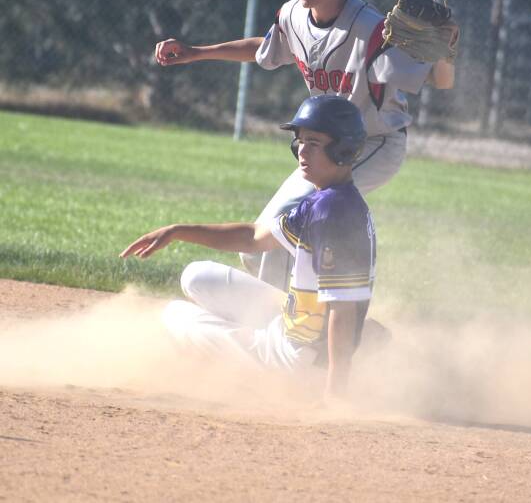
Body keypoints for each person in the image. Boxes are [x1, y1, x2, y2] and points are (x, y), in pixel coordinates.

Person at [154, 0, 455, 290]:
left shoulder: (371, 30)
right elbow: (264, 49)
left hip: (375, 143)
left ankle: (292, 329)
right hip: (327, 146)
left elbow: (441, 81)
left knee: (285, 228)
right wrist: (196, 53)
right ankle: (315, 310)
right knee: (256, 247)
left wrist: (445, 52)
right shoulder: (292, 15)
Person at [120, 95, 376, 401]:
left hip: (298, 358)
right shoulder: (329, 199)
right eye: (300, 141)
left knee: (174, 316)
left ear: (343, 150)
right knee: (195, 275)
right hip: (294, 324)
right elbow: (253, 238)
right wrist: (178, 232)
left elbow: (342, 310)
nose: (301, 151)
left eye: (314, 143)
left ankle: (245, 379)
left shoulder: (331, 213)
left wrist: (335, 392)